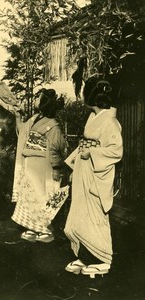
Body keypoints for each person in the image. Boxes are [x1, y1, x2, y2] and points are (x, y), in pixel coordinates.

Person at [64, 77, 123, 278]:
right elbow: (85, 143)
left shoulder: (111, 122)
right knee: (80, 212)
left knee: (94, 213)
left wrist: (93, 154)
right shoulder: (93, 117)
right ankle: (86, 256)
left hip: (97, 173)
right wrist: (75, 166)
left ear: (92, 96)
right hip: (84, 169)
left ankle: (102, 259)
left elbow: (116, 151)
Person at [11, 88, 68, 243]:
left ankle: (45, 229)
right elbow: (22, 131)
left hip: (43, 166)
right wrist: (18, 116)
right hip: (30, 164)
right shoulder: (35, 118)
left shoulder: (53, 126)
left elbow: (57, 147)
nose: (35, 100)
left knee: (42, 196)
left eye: (38, 98)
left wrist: (56, 167)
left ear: (44, 104)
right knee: (30, 197)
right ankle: (31, 227)